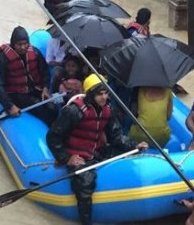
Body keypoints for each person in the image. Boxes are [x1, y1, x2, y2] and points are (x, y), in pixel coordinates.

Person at [47, 74, 148, 225]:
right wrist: (66, 157)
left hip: (96, 151)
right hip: (78, 155)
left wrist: (134, 145)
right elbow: (53, 137)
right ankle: (85, 221)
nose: (104, 97)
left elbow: (116, 136)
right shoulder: (74, 111)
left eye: (106, 93)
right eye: (99, 94)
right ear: (90, 94)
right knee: (85, 184)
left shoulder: (107, 109)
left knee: (129, 155)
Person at [0, 26, 57, 125]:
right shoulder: (3, 58)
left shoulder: (35, 53)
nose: (23, 47)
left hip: (35, 90)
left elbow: (44, 72)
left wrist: (45, 88)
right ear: (13, 44)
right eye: (19, 44)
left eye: (25, 43)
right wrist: (9, 106)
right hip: (15, 94)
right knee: (42, 110)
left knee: (52, 108)